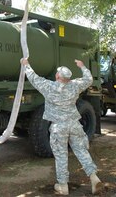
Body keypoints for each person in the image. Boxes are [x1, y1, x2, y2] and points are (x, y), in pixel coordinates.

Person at [20, 58, 103, 196]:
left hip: (59, 128)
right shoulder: (75, 85)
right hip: (74, 125)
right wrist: (82, 66)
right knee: (82, 151)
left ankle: (63, 186)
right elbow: (88, 79)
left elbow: (34, 78)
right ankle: (94, 178)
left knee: (61, 156)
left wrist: (26, 65)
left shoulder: (49, 86)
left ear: (58, 76)